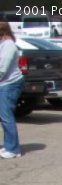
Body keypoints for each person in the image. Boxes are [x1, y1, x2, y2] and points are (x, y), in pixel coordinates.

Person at [0, 20, 24, 158]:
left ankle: (13, 149)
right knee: (4, 116)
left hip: (9, 84)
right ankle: (8, 145)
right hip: (5, 84)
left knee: (6, 116)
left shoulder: (8, 46)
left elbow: (2, 69)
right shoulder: (3, 44)